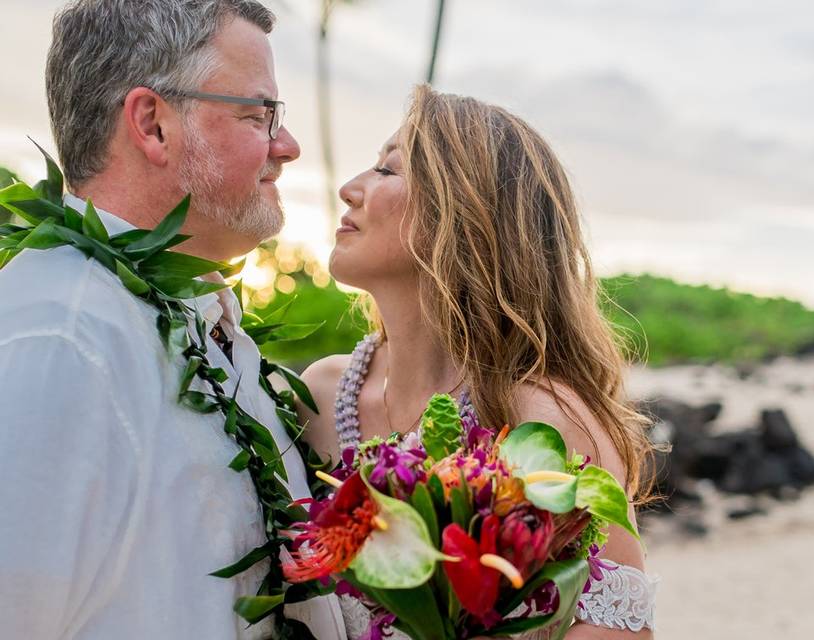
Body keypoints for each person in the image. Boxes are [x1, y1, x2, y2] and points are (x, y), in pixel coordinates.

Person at [0, 1, 345, 638]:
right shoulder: (59, 341)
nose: (288, 146)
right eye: (258, 114)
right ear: (153, 125)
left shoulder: (203, 325)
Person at [300, 85, 658, 639]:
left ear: (463, 215)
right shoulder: (319, 395)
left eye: (388, 171)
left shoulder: (544, 415)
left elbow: (618, 626)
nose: (351, 189)